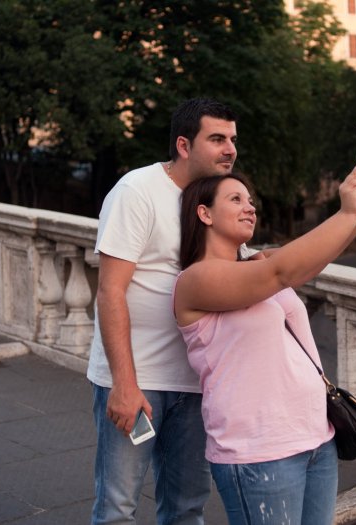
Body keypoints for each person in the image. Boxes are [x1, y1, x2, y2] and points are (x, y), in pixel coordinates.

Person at [173, 153, 356, 525]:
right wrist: (344, 211)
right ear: (204, 214)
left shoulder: (257, 262)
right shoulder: (195, 281)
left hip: (315, 439)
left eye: (251, 201)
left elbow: (317, 255)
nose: (250, 208)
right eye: (236, 200)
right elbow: (282, 272)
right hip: (259, 453)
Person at [87, 98, 239, 525]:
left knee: (187, 509)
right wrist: (124, 384)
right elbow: (110, 292)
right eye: (217, 139)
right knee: (118, 508)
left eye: (232, 139)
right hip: (139, 384)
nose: (229, 149)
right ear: (184, 145)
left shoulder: (213, 200)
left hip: (196, 385)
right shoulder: (137, 191)